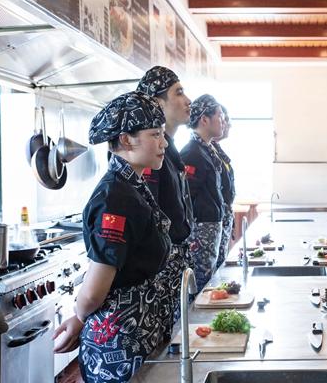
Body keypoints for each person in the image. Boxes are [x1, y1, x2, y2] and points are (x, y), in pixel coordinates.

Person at [53, 91, 172, 382]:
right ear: (125, 140)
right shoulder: (115, 197)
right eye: (155, 134)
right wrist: (80, 318)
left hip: (137, 337)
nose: (164, 143)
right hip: (117, 347)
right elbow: (94, 291)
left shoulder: (133, 186)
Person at [136, 66, 193, 336]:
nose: (188, 100)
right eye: (179, 93)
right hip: (160, 269)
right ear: (158, 102)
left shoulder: (168, 149)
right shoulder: (149, 155)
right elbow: (150, 215)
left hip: (174, 263)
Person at [180, 94, 224, 290]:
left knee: (208, 281)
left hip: (211, 228)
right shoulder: (192, 152)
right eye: (220, 116)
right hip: (201, 231)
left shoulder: (206, 149)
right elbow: (186, 196)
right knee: (200, 286)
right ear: (204, 120)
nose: (223, 121)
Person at [212, 105, 235, 267]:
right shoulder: (198, 151)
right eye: (224, 119)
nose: (227, 124)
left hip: (223, 216)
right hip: (209, 222)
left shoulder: (216, 150)